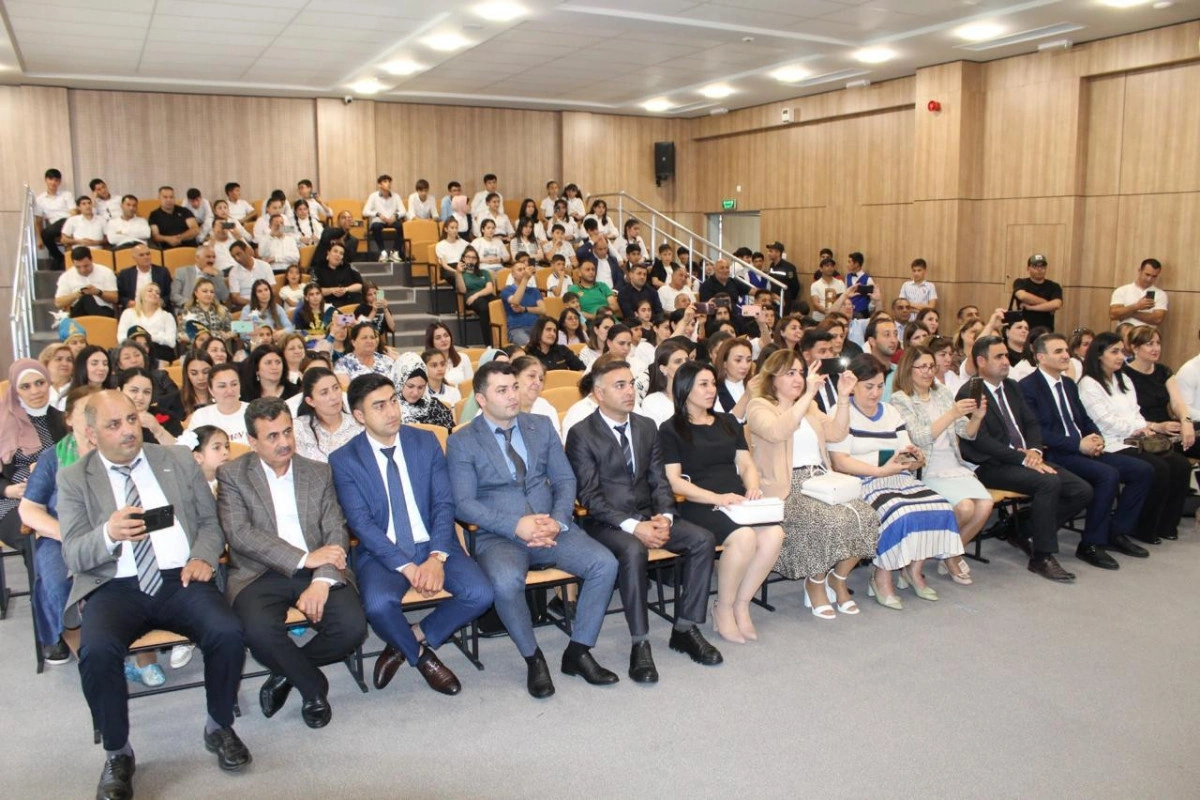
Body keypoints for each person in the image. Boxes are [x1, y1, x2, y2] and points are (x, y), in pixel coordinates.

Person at [57, 391, 251, 799]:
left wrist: (202, 557)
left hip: (181, 578)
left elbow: (210, 523)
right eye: (114, 425)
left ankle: (219, 725)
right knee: (96, 652)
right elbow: (73, 552)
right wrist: (108, 533)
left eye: (131, 419)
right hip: (115, 586)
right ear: (91, 434)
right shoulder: (75, 477)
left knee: (227, 631)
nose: (128, 430)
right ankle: (118, 752)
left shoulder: (176, 459)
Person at [447, 361, 620, 698]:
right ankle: (533, 657)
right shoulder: (463, 440)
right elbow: (463, 504)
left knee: (605, 564)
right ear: (481, 399)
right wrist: (516, 525)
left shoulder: (540, 425)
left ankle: (579, 651)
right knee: (505, 582)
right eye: (502, 390)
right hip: (500, 535)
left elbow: (565, 479)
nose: (513, 395)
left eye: (514, 386)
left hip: (551, 526)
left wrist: (557, 519)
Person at [330, 373, 493, 694]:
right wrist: (406, 567)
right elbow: (361, 524)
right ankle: (421, 658)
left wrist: (436, 557)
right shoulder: (344, 460)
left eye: (393, 401)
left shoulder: (425, 441)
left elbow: (444, 504)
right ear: (360, 415)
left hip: (434, 542)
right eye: (379, 406)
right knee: (378, 605)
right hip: (383, 552)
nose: (392, 411)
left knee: (480, 593)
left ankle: (409, 638)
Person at [566, 360, 722, 681]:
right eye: (619, 385)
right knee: (634, 549)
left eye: (630, 384)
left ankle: (685, 628)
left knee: (702, 539)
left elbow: (659, 481)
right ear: (599, 393)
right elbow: (590, 497)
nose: (629, 392)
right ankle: (640, 642)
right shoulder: (582, 433)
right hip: (606, 523)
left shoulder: (646, 426)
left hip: (650, 515)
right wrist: (634, 526)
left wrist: (665, 516)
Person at [217, 398, 367, 728]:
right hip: (259, 572)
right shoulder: (232, 475)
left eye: (287, 432)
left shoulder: (318, 471)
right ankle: (312, 686)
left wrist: (321, 579)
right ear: (252, 441)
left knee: (352, 628)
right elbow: (240, 535)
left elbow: (335, 530)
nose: (284, 442)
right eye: (272, 436)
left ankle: (287, 673)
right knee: (257, 631)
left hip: (317, 569)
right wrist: (302, 557)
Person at [745, 350, 879, 618]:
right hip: (787, 488)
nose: (798, 378)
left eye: (800, 372)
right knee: (828, 519)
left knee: (867, 516)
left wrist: (843, 397)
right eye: (790, 373)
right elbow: (777, 431)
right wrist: (808, 394)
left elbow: (837, 433)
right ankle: (815, 583)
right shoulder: (759, 406)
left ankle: (837, 579)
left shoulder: (810, 407)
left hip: (821, 480)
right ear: (772, 378)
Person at [660, 361, 784, 643]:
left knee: (774, 534)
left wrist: (753, 487)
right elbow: (674, 481)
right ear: (685, 389)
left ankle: (742, 603)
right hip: (699, 504)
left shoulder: (727, 422)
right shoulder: (671, 429)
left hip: (736, 500)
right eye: (703, 384)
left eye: (713, 384)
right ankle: (723, 608)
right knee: (744, 537)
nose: (711, 390)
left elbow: (746, 464)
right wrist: (718, 498)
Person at [826, 355, 964, 609]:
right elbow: (840, 461)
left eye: (880, 386)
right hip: (862, 481)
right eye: (869, 386)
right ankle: (881, 576)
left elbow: (904, 450)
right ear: (853, 386)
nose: (876, 393)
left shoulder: (890, 411)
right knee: (899, 513)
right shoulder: (841, 411)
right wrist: (879, 471)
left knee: (940, 507)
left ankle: (913, 570)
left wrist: (914, 458)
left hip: (897, 477)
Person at [956, 336, 1091, 581]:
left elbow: (1031, 423)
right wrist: (1023, 458)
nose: (1006, 361)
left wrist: (1036, 451)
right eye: (999, 357)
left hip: (1025, 459)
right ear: (981, 361)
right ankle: (1041, 557)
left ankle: (1020, 527)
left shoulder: (1011, 386)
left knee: (1081, 490)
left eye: (1006, 356)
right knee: (1048, 483)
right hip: (990, 465)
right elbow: (980, 441)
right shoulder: (971, 391)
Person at [1019, 334, 1153, 568]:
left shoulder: (1068, 384)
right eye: (1058, 351)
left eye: (1065, 350)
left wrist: (1095, 436)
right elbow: (1037, 432)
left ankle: (1115, 532)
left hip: (1081, 448)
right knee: (1107, 475)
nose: (1066, 355)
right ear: (1041, 357)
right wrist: (1078, 445)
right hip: (1055, 453)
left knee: (1143, 471)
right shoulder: (1027, 387)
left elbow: (1083, 418)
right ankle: (1091, 544)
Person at [890, 347, 993, 584]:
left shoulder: (943, 393)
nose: (928, 372)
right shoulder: (900, 399)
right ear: (908, 369)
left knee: (985, 505)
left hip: (953, 464)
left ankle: (951, 554)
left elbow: (965, 432)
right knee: (965, 508)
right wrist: (952, 414)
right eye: (922, 367)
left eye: (931, 366)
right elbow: (919, 438)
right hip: (926, 468)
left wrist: (977, 417)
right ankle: (951, 556)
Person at [1078, 332, 1192, 545]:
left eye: (1122, 351)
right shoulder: (1089, 384)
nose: (1121, 356)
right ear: (1099, 355)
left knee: (1180, 465)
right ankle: (1139, 527)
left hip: (1134, 438)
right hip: (1110, 443)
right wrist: (1137, 429)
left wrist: (1144, 428)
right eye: (1114, 352)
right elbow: (1104, 421)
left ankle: (1165, 525)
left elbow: (1135, 412)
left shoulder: (1124, 379)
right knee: (1156, 468)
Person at [19, 386, 98, 665]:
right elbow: (28, 509)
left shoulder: (116, 452)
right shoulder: (52, 457)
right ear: (69, 418)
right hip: (59, 534)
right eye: (85, 412)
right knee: (56, 580)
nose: (92, 420)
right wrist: (65, 533)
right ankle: (59, 634)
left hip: (108, 534)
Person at [1123, 325, 1197, 458]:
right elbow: (1125, 415)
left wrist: (1186, 422)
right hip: (1144, 431)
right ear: (1135, 348)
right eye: (1149, 344)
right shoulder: (1124, 375)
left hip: (1168, 428)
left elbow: (1178, 403)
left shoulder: (1163, 371)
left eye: (1158, 343)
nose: (1156, 348)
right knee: (1180, 465)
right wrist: (1156, 426)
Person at [293, 367, 361, 461]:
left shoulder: (359, 425)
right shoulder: (297, 428)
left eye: (336, 388)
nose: (333, 396)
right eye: (324, 393)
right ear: (310, 401)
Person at [188, 363, 249, 444]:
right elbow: (189, 447)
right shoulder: (201, 417)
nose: (230, 391)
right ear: (211, 390)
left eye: (234, 384)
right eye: (222, 386)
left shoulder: (253, 411)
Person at [395, 352, 455, 432]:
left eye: (421, 387)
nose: (415, 393)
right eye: (410, 386)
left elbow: (453, 435)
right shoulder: (389, 410)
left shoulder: (435, 407)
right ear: (399, 383)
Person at [118, 283, 177, 364]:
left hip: (160, 353)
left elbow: (171, 342)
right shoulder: (128, 313)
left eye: (157, 293)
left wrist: (146, 337)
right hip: (133, 350)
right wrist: (158, 336)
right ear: (142, 295)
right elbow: (121, 338)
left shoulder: (167, 316)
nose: (154, 293)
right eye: (150, 291)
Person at [448, 246, 495, 345]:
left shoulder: (484, 272)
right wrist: (458, 273)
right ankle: (489, 343)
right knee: (484, 307)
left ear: (477, 260)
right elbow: (463, 290)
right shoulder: (461, 274)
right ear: (463, 258)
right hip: (470, 299)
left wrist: (476, 295)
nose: (471, 260)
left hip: (483, 296)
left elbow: (490, 289)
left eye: (474, 258)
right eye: (468, 257)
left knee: (499, 303)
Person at [56, 246, 119, 318]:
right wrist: (79, 293)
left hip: (102, 309)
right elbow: (58, 303)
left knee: (87, 298)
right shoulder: (66, 276)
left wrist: (98, 292)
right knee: (85, 298)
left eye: (86, 266)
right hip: (78, 310)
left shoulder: (106, 272)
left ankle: (99, 321)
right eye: (78, 267)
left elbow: (115, 298)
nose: (83, 270)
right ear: (73, 263)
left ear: (91, 260)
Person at [1109, 258, 1167, 327]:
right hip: (1124, 332)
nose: (1149, 279)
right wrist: (1137, 306)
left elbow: (1157, 319)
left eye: (1154, 276)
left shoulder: (1160, 294)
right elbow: (1113, 315)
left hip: (1148, 333)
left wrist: (1129, 312)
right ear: (1140, 271)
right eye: (1147, 274)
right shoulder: (1122, 290)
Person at [1011, 254, 1062, 332]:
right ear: (1028, 268)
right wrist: (1048, 305)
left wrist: (1030, 308)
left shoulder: (1054, 286)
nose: (1039, 269)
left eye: (1042, 266)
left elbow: (1056, 304)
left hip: (1045, 331)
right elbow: (1022, 296)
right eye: (1035, 266)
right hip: (1024, 330)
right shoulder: (1020, 282)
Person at [500, 261, 546, 346]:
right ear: (513, 274)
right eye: (519, 270)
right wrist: (525, 279)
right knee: (530, 345)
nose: (523, 272)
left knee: (548, 343)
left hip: (536, 328)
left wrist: (524, 309)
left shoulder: (534, 291)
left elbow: (543, 310)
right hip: (517, 329)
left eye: (524, 269)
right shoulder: (507, 290)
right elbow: (515, 301)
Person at [333, 322, 394, 386]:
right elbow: (345, 390)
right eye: (364, 338)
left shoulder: (387, 361)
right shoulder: (343, 364)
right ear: (353, 342)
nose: (369, 341)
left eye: (372, 337)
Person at [116, 243, 173, 312]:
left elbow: (170, 293)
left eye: (148, 254)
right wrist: (128, 302)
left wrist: (161, 302)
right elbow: (119, 295)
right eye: (141, 255)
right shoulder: (125, 274)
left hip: (158, 309)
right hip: (134, 309)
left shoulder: (162, 272)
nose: (146, 257)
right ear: (134, 258)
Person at [35, 168, 72, 270]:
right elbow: (38, 221)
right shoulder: (40, 199)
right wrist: (39, 239)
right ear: (46, 180)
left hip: (68, 221)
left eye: (56, 180)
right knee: (45, 234)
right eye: (50, 179)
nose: (53, 182)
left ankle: (59, 259)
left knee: (63, 222)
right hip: (55, 227)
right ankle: (59, 257)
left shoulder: (66, 195)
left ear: (59, 182)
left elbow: (73, 212)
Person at [712, 337, 754, 422]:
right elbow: (725, 424)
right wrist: (746, 396)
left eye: (748, 360)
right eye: (738, 360)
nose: (745, 366)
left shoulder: (754, 384)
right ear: (724, 363)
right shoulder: (714, 390)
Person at [226, 241, 274, 310]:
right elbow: (235, 297)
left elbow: (272, 288)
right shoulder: (233, 272)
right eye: (234, 257)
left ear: (247, 251)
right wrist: (255, 303)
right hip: (246, 305)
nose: (237, 259)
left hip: (266, 301)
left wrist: (263, 301)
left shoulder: (265, 266)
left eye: (238, 254)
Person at [314, 241, 364, 307]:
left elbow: (360, 285)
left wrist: (346, 289)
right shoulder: (318, 268)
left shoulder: (348, 267)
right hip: (328, 303)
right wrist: (331, 290)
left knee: (361, 302)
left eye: (341, 253)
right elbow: (314, 290)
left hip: (348, 301)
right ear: (328, 253)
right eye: (335, 251)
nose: (338, 255)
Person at [39, 342, 75, 411]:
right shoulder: (39, 391)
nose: (65, 363)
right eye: (59, 359)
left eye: (69, 360)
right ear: (46, 363)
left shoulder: (80, 389)